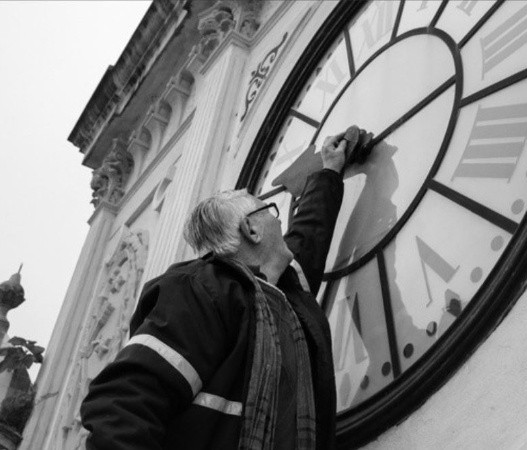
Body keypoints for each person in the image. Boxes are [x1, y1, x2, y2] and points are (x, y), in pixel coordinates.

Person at [80, 132, 355, 450]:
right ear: (251, 229)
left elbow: (308, 236)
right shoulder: (200, 291)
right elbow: (124, 408)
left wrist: (329, 171)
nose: (280, 223)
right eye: (270, 212)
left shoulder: (281, 299)